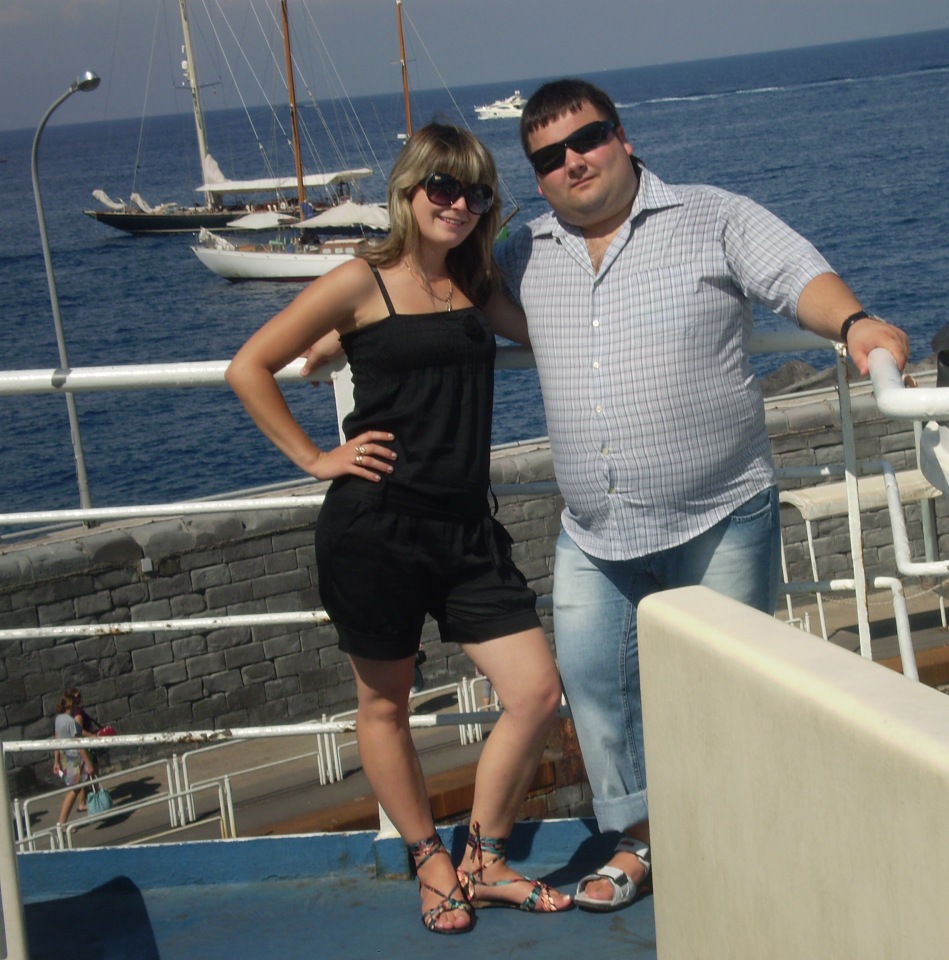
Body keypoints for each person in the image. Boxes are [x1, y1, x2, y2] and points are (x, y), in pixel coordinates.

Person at [498, 79, 912, 911]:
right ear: (536, 177)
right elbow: (442, 294)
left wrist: (854, 324)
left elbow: (798, 275)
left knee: (729, 689)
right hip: (596, 530)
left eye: (586, 139)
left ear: (622, 137)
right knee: (597, 690)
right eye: (547, 158)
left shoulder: (711, 216)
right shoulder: (521, 250)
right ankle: (644, 838)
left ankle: (733, 844)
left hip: (718, 512)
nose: (571, 162)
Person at [226, 122, 572, 934]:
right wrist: (317, 457)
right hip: (375, 526)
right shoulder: (360, 280)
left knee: (536, 692)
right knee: (384, 705)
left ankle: (484, 857)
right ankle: (430, 860)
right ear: (407, 192)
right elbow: (250, 368)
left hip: (466, 529)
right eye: (442, 188)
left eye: (476, 193)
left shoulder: (475, 284)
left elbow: (549, 331)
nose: (459, 204)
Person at [53, 693, 94, 825]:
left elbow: (57, 740)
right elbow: (79, 744)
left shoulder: (58, 719)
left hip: (66, 757)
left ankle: (63, 822)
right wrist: (88, 763)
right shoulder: (70, 721)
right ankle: (62, 823)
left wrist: (56, 761)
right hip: (74, 758)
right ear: (71, 705)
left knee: (75, 788)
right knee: (74, 790)